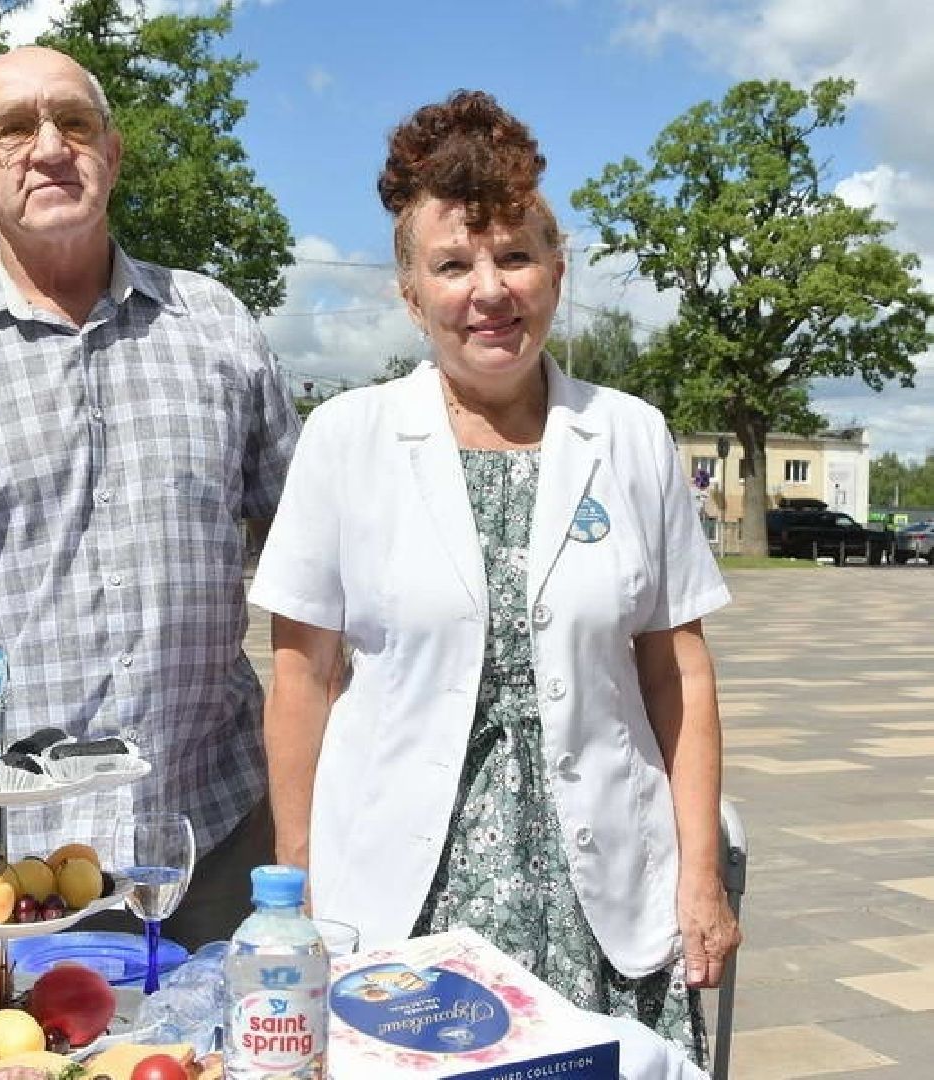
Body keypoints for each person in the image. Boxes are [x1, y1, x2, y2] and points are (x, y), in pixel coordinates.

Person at [248, 90, 738, 1062]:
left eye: (515, 256)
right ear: (409, 292)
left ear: (557, 271)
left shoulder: (631, 435)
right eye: (453, 264)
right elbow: (302, 676)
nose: (490, 290)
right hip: (402, 893)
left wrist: (702, 877)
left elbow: (677, 671)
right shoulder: (348, 438)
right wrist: (292, 883)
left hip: (604, 899)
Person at [0, 45, 300, 946]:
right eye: (14, 129)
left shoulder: (218, 326)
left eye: (75, 123)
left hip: (211, 822)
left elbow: (306, 554)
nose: (49, 147)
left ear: (111, 154)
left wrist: (315, 761)